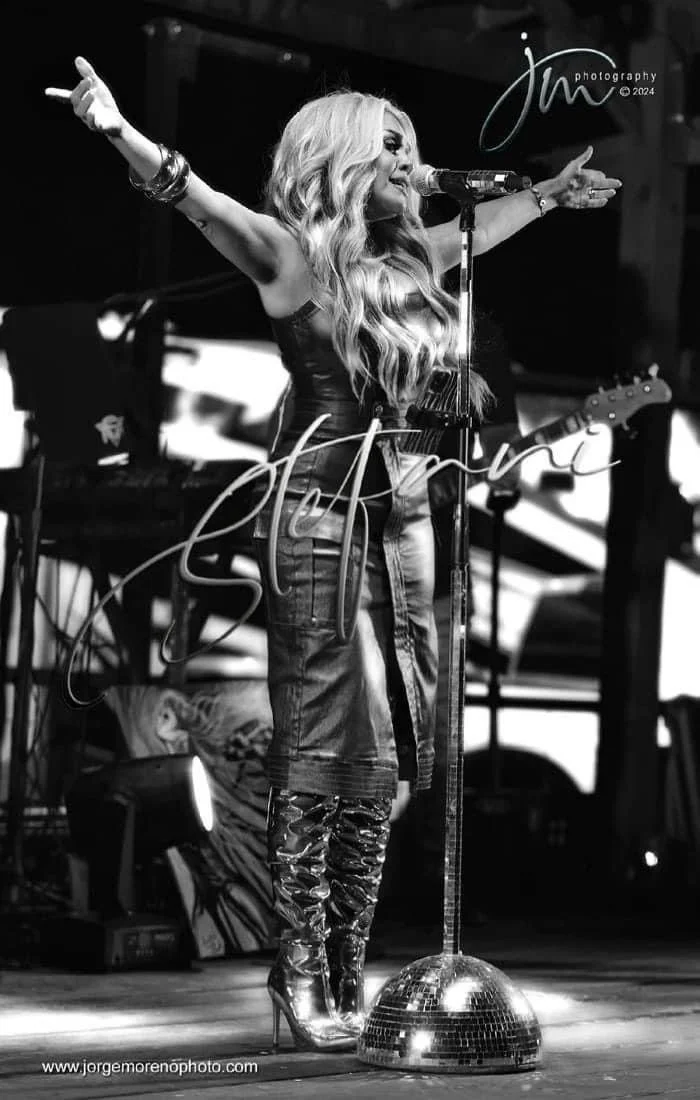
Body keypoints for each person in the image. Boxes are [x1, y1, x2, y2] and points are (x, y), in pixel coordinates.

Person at [46, 56, 622, 1052]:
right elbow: (197, 199)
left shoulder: (417, 262)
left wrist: (546, 194)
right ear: (343, 157)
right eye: (388, 146)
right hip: (324, 517)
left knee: (386, 761)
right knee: (324, 748)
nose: (406, 160)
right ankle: (300, 972)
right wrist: (115, 130)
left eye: (411, 146)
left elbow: (485, 227)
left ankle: (349, 970)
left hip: (406, 523)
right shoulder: (293, 261)